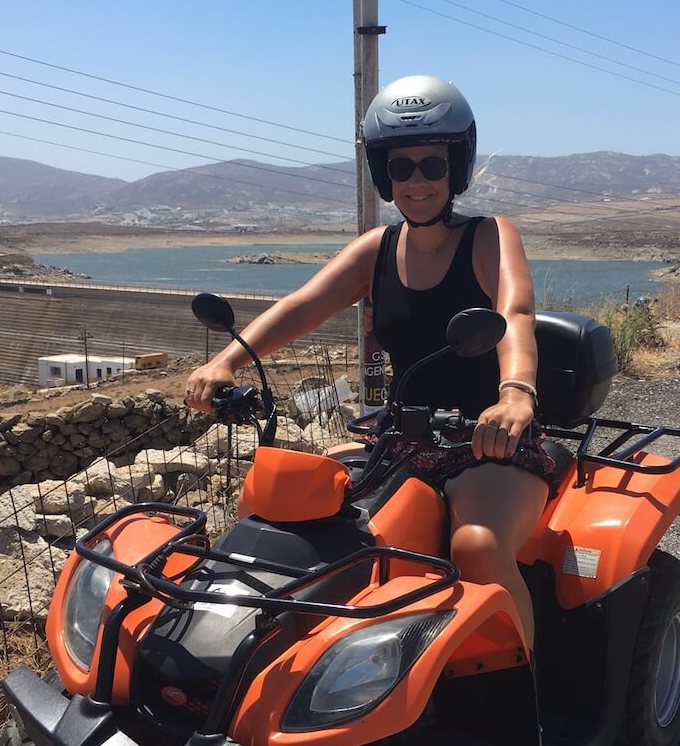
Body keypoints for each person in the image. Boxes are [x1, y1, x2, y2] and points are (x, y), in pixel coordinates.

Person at [184, 75, 554, 651]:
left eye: (432, 165)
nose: (416, 181)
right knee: (265, 503)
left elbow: (516, 312)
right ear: (384, 174)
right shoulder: (377, 247)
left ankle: (518, 687)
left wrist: (514, 395)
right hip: (398, 438)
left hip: (488, 440)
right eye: (400, 167)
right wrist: (229, 360)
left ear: (457, 167)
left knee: (477, 546)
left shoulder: (490, 236)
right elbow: (303, 305)